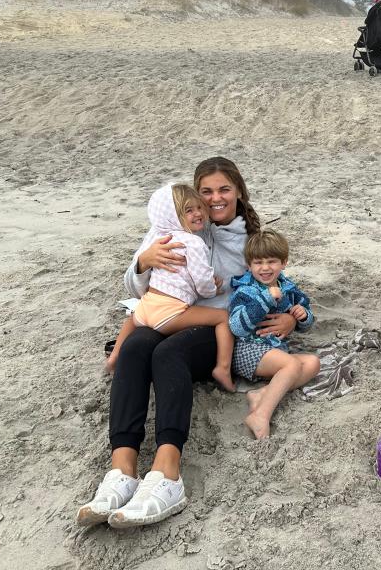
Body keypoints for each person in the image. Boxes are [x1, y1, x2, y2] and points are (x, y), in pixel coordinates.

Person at [77, 157, 297, 529]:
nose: (214, 199)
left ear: (239, 192)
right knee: (134, 347)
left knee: (167, 353)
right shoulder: (182, 224)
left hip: (217, 328)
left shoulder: (248, 240)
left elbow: (277, 280)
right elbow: (138, 288)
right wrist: (142, 263)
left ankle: (167, 473)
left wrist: (290, 316)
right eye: (206, 191)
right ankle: (122, 468)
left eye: (224, 189)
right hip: (173, 314)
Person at [105, 183, 235, 393]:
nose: (198, 213)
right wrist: (214, 289)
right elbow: (202, 282)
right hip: (169, 312)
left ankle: (114, 357)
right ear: (173, 216)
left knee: (131, 319)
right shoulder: (193, 243)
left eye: (199, 207)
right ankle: (223, 368)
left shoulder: (160, 238)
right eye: (188, 210)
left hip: (146, 307)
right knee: (222, 318)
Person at [227, 230, 321, 439]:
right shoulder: (245, 291)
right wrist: (265, 299)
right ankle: (260, 416)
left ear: (284, 262)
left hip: (274, 351)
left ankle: (261, 394)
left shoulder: (287, 287)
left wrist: (302, 316)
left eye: (272, 261)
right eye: (258, 262)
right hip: (247, 351)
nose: (265, 268)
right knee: (292, 365)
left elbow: (306, 320)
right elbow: (236, 327)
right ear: (249, 265)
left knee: (313, 362)